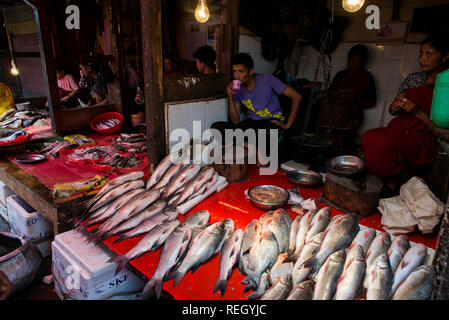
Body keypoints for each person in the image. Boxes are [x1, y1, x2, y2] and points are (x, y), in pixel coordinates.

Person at [361, 32, 449, 197]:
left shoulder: (446, 84)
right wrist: (395, 108)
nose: (422, 59)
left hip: (423, 136)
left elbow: (440, 126)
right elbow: (394, 108)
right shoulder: (414, 79)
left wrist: (416, 112)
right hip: (400, 128)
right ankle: (389, 179)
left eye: (428, 54)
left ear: (445, 56)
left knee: (380, 141)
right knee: (369, 137)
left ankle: (392, 182)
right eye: (421, 54)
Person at [211, 53, 302, 160]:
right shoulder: (237, 89)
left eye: (240, 71)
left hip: (271, 122)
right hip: (252, 123)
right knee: (217, 127)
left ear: (251, 72)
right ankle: (248, 146)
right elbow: (235, 120)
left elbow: (297, 96)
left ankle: (244, 145)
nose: (236, 76)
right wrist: (230, 96)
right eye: (234, 71)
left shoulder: (268, 80)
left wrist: (288, 124)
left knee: (265, 136)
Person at [320, 44, 377, 154]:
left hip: (353, 111)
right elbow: (330, 92)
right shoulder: (341, 75)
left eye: (358, 62)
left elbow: (372, 102)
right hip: (335, 108)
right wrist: (335, 94)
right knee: (325, 105)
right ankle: (328, 138)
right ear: (348, 60)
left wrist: (354, 99)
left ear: (364, 62)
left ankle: (338, 144)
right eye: (352, 61)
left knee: (341, 111)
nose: (354, 65)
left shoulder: (366, 78)